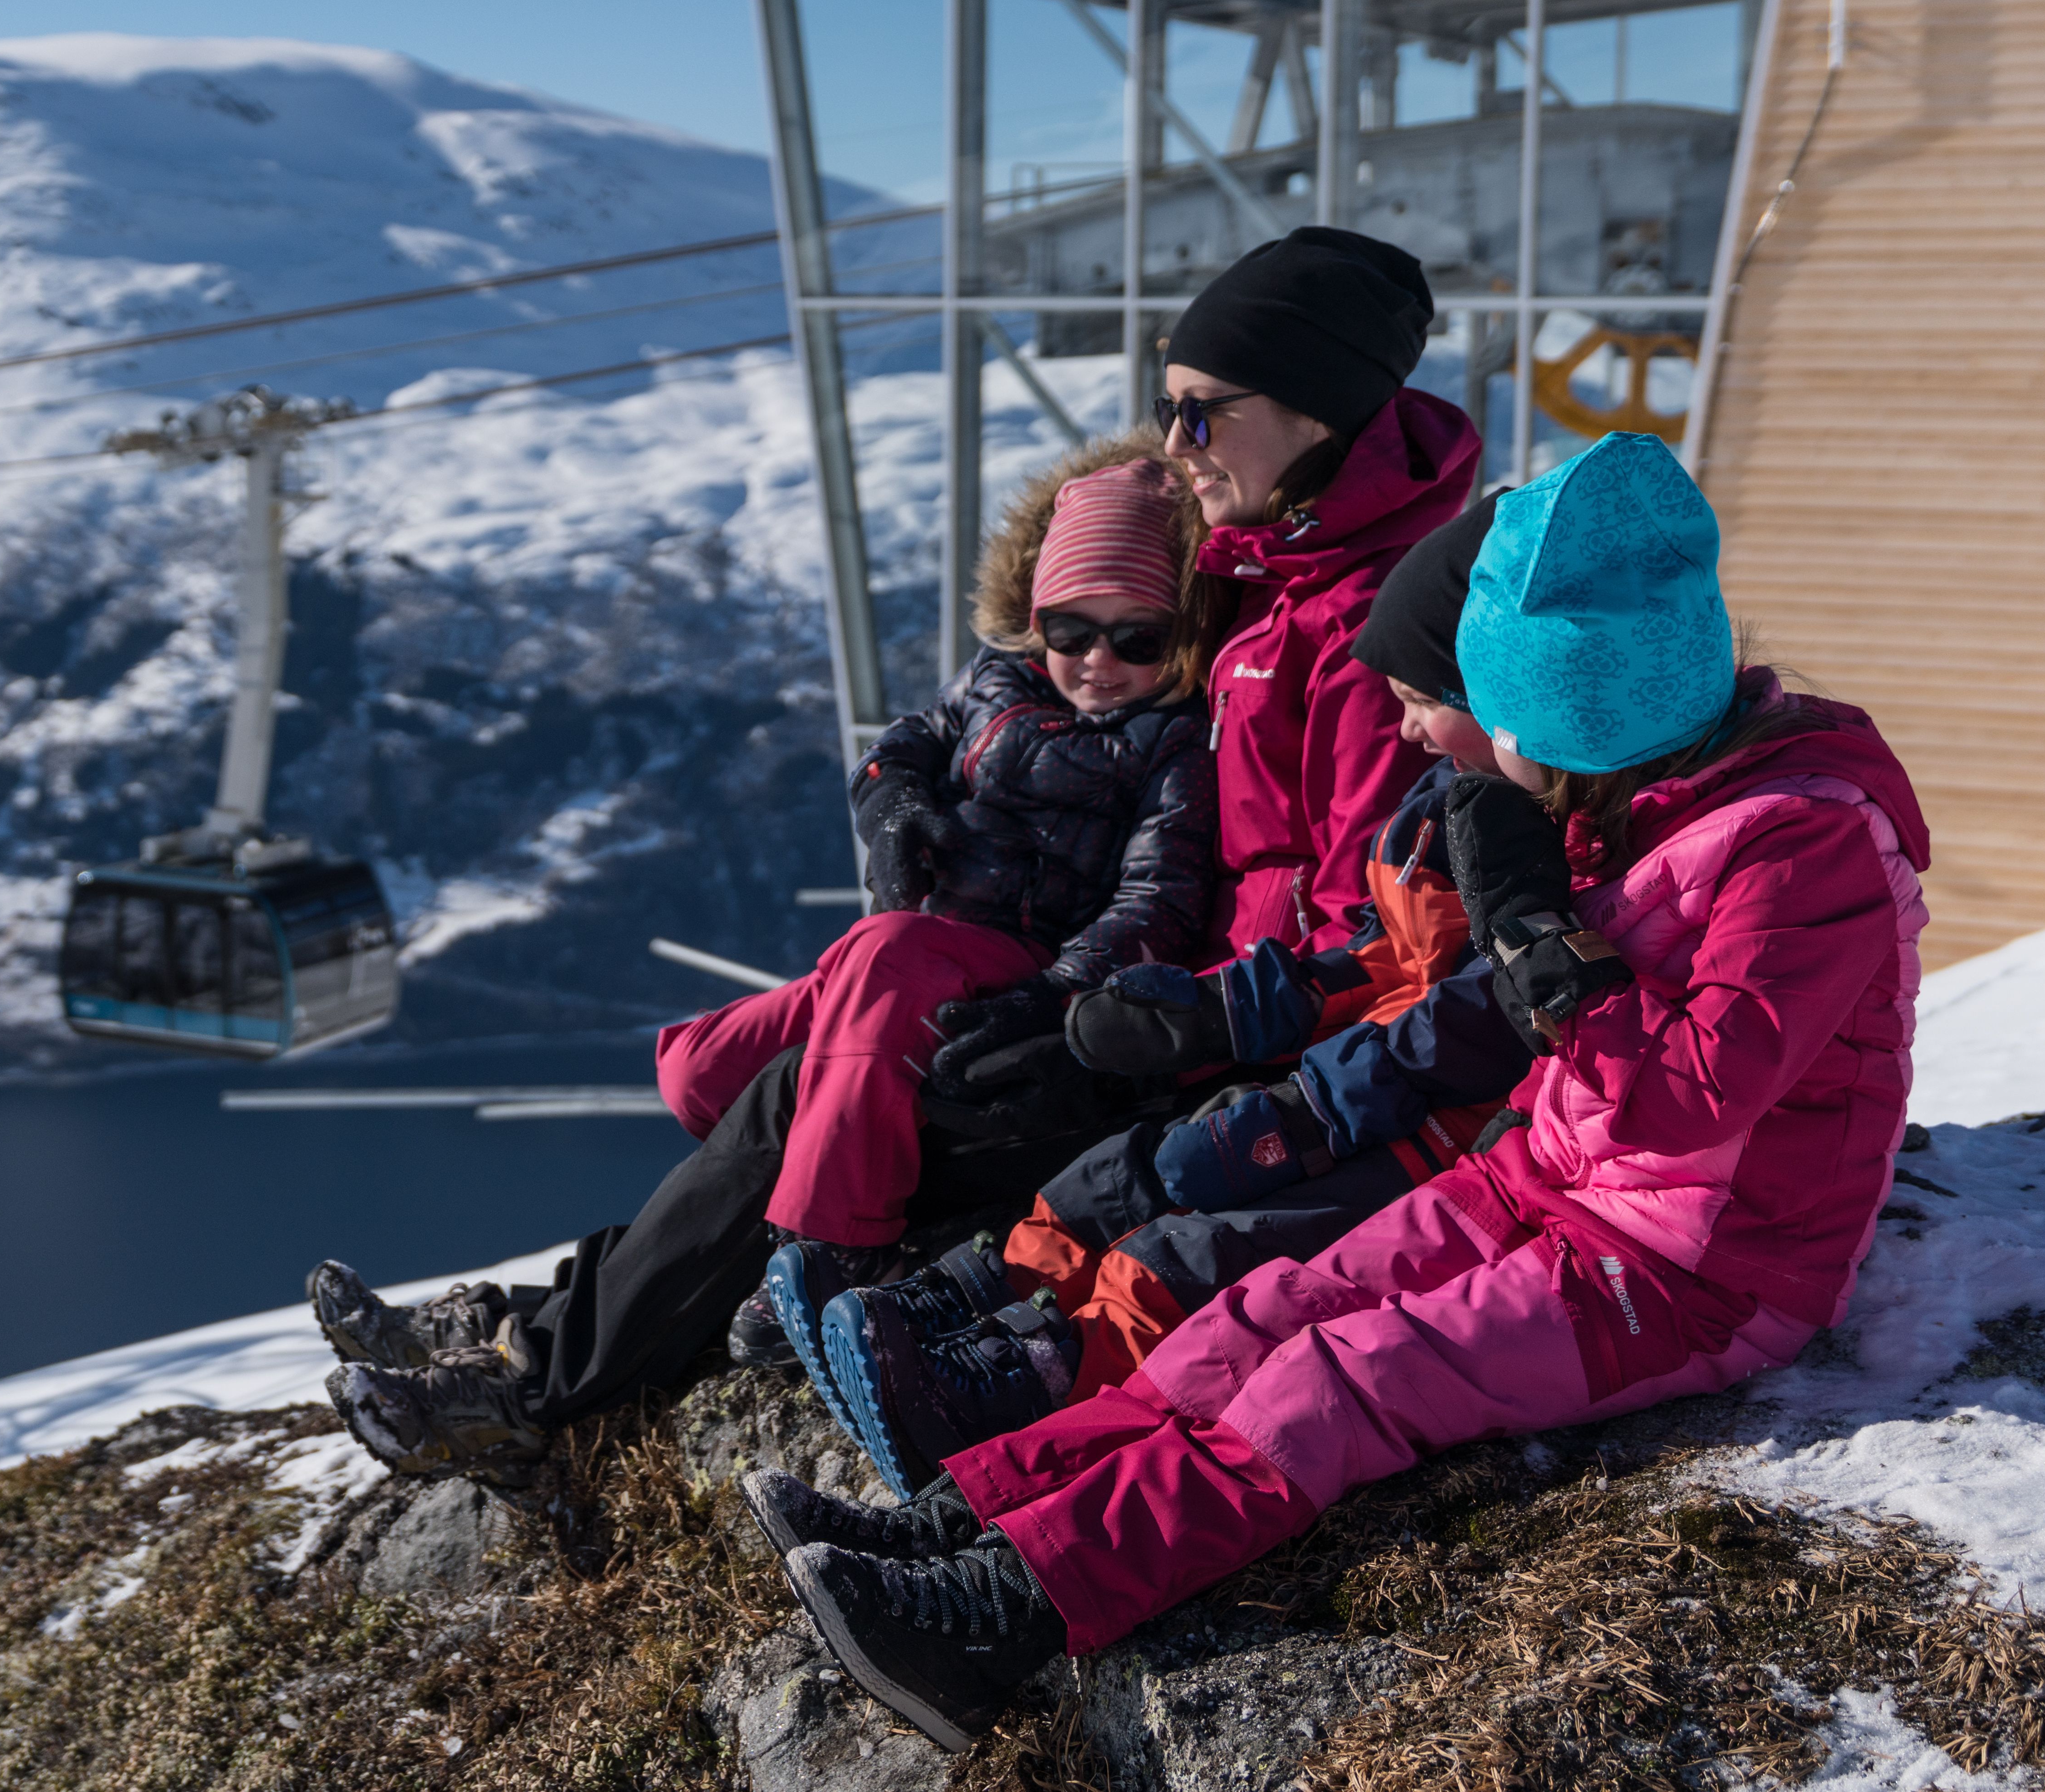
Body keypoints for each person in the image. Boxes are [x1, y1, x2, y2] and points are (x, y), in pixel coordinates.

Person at [738, 434, 1931, 1752]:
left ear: (1568, 719)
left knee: (1347, 1375)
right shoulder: (1642, 801)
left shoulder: (1804, 845)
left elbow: (1684, 1102)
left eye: (1496, 723)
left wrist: (1536, 935)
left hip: (1697, 1269)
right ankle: (962, 1517)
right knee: (1260, 1312)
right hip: (1545, 1180)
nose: (1466, 750)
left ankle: (1007, 1610)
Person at [312, 436, 1223, 1479]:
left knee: (822, 1051)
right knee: (711, 1068)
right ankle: (516, 1325)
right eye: (1069, 629)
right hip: (912, 963)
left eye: (1136, 637)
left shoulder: (1166, 744)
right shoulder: (995, 682)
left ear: (1179, 636)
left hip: (1014, 987)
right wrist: (891, 800)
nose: (1098, 659)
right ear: (1033, 616)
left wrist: (1056, 996)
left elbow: (1156, 900)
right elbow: (906, 742)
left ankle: (804, 1258)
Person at [807, 495, 1536, 1497]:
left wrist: (1309, 1096)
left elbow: (1475, 1019)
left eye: (1418, 700)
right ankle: (981, 1305)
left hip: (1416, 1128)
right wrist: (1217, 1011)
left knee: (1200, 1249)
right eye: (1065, 631)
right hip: (1353, 1080)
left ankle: (1014, 1390)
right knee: (1130, 1170)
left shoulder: (1525, 848)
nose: (1403, 727)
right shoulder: (1441, 802)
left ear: (1497, 692)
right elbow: (1376, 960)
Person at [913, 229, 1482, 1145]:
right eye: (1166, 409)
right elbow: (1072, 684)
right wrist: (900, 776)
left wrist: (1167, 1042)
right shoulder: (1252, 575)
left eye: (1202, 412)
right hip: (1172, 992)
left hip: (1251, 1046)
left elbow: (1370, 922)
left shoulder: (1363, 625)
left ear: (1315, 411)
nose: (1177, 442)